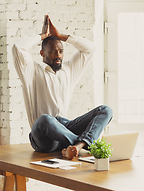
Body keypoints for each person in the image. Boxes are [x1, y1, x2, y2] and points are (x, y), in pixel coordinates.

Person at [12, 15, 113, 160]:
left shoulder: (69, 70)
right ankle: (84, 144)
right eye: (53, 51)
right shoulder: (32, 71)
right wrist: (42, 36)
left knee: (105, 110)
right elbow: (18, 47)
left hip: (64, 130)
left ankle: (77, 146)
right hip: (43, 136)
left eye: (60, 51)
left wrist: (61, 36)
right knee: (45, 119)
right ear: (42, 53)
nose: (58, 55)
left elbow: (90, 49)